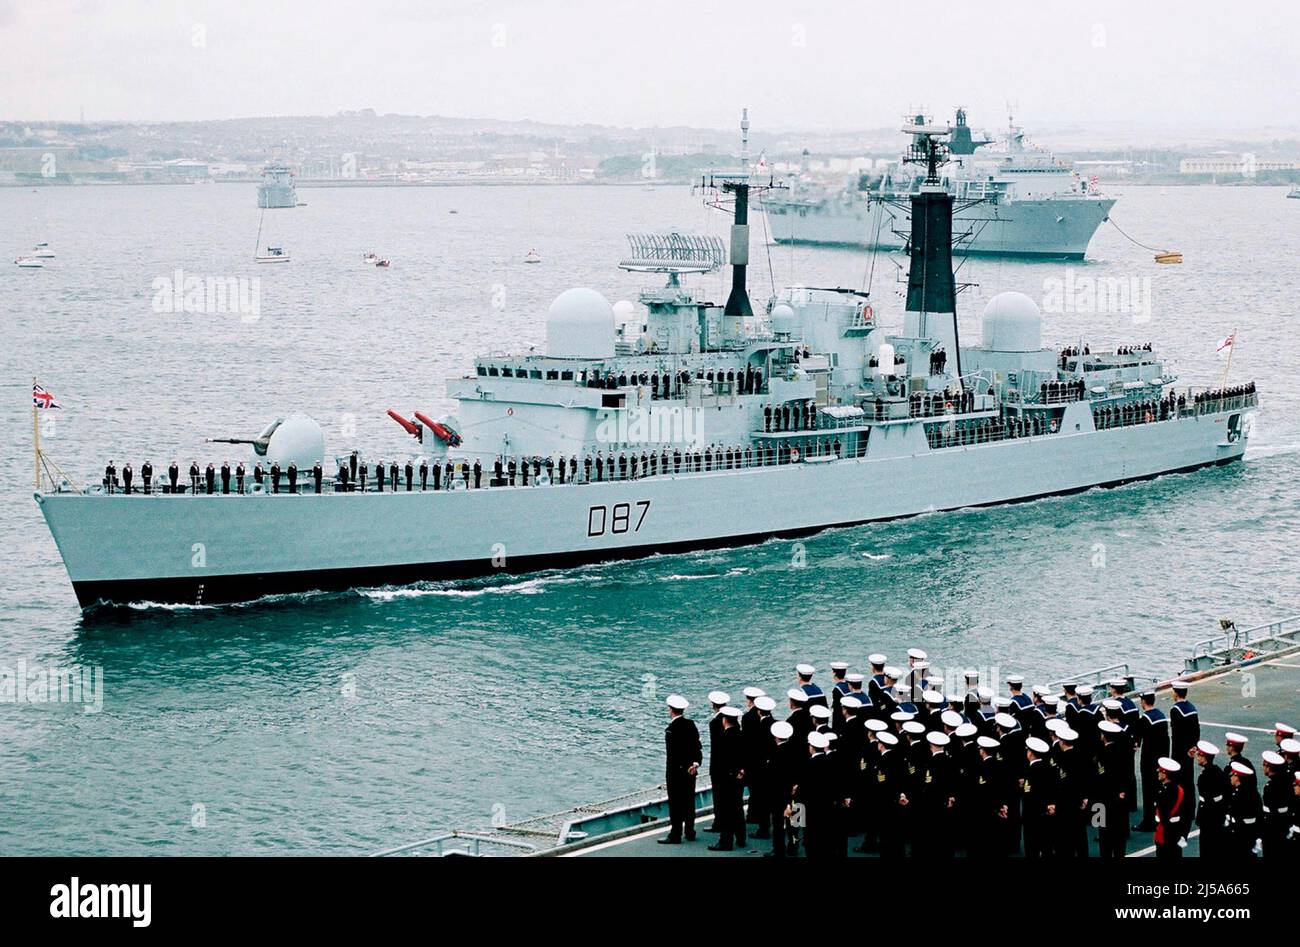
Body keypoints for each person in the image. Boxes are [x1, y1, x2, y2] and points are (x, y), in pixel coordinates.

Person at [660, 695, 701, 845]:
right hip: (691, 770)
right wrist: (695, 764)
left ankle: (675, 833)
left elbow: (674, 755)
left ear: (671, 710)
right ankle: (690, 831)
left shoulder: (670, 730)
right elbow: (697, 746)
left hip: (676, 772)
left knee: (676, 803)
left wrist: (683, 766)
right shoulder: (691, 724)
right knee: (689, 801)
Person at [709, 706, 747, 851]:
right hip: (738, 777)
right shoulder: (741, 734)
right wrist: (742, 770)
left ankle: (725, 841)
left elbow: (722, 761)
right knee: (737, 807)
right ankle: (741, 837)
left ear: (724, 720)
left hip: (726, 779)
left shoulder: (724, 738)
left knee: (726, 810)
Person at [1134, 691, 1168, 831]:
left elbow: (1138, 737)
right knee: (1159, 790)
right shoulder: (1161, 716)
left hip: (1149, 759)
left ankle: (1148, 821)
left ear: (1143, 701)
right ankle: (1159, 817)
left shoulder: (1145, 719)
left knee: (1148, 792)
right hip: (1161, 759)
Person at [1096, 721, 1131, 856]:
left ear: (1103, 736)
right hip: (1119, 800)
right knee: (1119, 837)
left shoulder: (1102, 754)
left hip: (1103, 801)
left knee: (1104, 838)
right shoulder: (1122, 751)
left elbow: (1099, 780)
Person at [1195, 740, 1229, 858]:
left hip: (1208, 813)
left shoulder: (1205, 775)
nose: (1197, 757)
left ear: (1204, 758)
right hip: (1218, 812)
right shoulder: (1218, 771)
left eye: (1199, 755)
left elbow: (1206, 798)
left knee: (1206, 846)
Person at [1153, 758, 1187, 858]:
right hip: (1177, 831)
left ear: (1165, 774)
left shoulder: (1163, 792)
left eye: (1160, 771)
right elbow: (1187, 813)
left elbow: (1163, 815)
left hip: (1165, 833)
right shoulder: (1180, 789)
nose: (1158, 773)